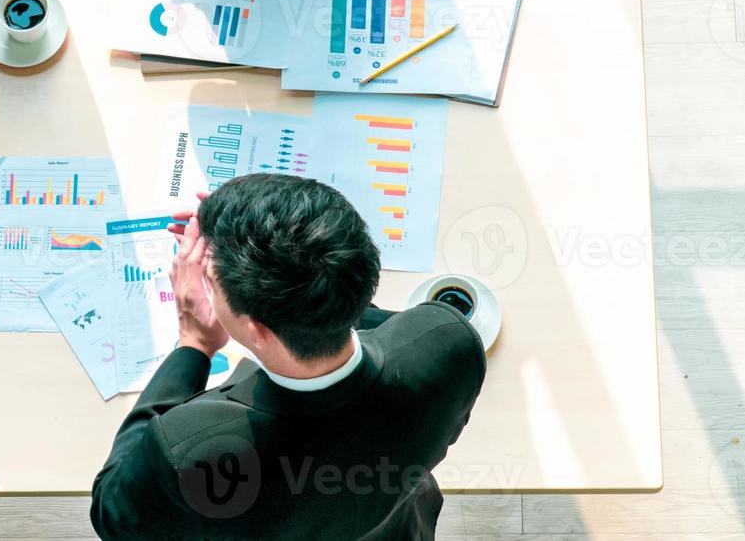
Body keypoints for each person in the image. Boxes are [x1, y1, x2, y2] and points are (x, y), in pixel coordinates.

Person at [91, 174, 486, 540]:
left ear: (258, 330)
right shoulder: (447, 342)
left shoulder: (188, 449)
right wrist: (270, 239)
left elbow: (114, 515)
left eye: (210, 281)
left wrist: (194, 345)